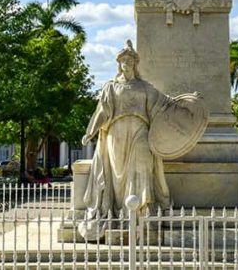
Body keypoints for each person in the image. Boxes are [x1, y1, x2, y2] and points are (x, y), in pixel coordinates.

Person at [79, 41, 206, 241]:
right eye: (123, 60)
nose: (126, 63)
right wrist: (91, 132)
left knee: (143, 167)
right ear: (119, 63)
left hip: (140, 130)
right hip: (116, 132)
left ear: (135, 63)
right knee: (118, 176)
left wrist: (189, 102)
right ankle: (120, 212)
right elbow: (101, 112)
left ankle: (141, 212)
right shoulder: (111, 87)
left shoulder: (145, 87)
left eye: (130, 60)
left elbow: (166, 104)